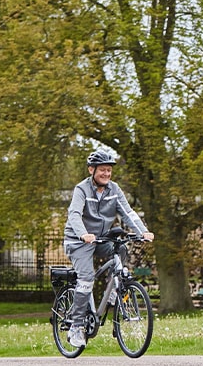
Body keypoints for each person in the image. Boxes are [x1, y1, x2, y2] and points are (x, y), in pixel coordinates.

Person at [63, 148, 154, 348]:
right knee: (86, 278)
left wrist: (143, 231)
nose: (106, 174)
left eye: (109, 170)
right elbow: (75, 214)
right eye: (102, 170)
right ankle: (76, 327)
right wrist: (83, 234)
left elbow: (128, 212)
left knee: (121, 249)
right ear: (91, 170)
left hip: (101, 239)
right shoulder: (82, 190)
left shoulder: (114, 189)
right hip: (78, 241)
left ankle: (116, 287)